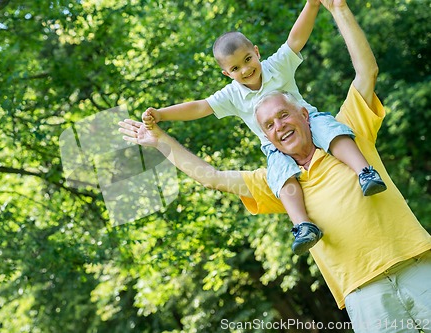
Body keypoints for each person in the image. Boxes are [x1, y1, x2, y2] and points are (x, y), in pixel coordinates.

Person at [120, 0, 431, 331]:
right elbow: (211, 177)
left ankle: (364, 174)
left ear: (302, 113)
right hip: (362, 291)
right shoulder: (281, 179)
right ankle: (303, 226)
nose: (279, 126)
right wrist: (159, 137)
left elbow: (364, 71)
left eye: (284, 115)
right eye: (268, 125)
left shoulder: (347, 133)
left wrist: (336, 7)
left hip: (416, 263)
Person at [141, 0, 386, 255]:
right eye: (236, 68)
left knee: (332, 132)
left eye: (248, 59)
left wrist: (312, 5)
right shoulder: (231, 95)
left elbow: (296, 39)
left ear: (257, 52)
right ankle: (303, 224)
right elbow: (199, 107)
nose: (246, 70)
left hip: (309, 120)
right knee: (281, 176)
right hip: (275, 147)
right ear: (227, 73)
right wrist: (161, 115)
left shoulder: (276, 66)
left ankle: (365, 172)